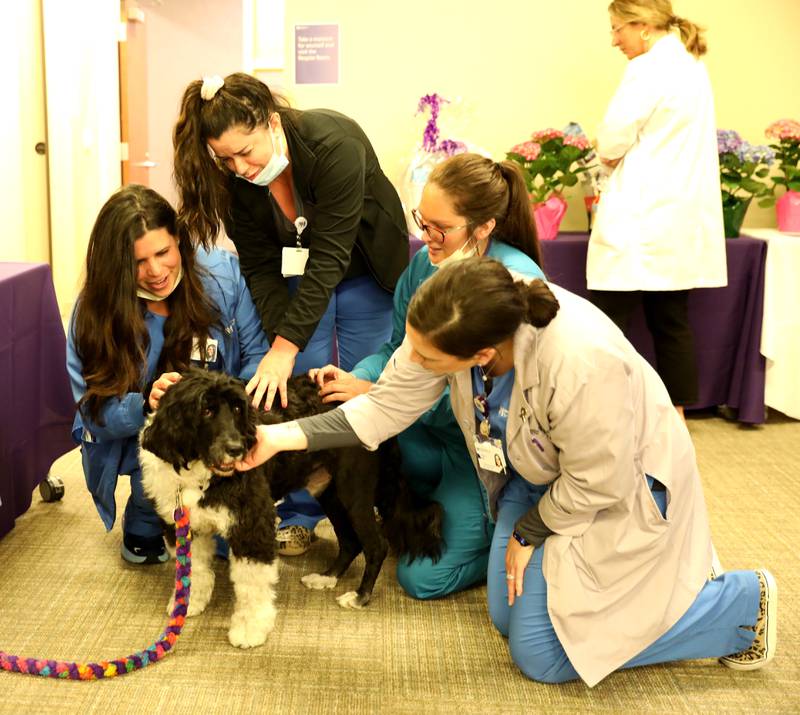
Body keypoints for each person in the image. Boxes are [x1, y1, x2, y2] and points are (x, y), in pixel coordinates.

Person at [233, 257, 777, 687]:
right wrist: (276, 437)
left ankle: (736, 605)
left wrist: (529, 530)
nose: (413, 363)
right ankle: (629, 597)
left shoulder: (580, 362)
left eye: (427, 359)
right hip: (532, 475)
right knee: (505, 615)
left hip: (614, 488)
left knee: (542, 654)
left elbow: (600, 479)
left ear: (482, 354)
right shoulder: (458, 312)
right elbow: (383, 407)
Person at [173, 72, 410, 555]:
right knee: (298, 388)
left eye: (247, 151)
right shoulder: (236, 183)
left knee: (365, 391)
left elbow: (331, 255)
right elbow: (259, 267)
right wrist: (285, 338)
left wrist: (281, 348)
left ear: (271, 121)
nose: (238, 166)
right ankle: (301, 509)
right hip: (300, 277)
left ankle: (376, 504)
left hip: (363, 267)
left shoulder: (332, 143)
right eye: (225, 158)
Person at [307, 153, 545, 598]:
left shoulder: (516, 284)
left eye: (441, 229)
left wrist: (378, 390)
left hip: (479, 451)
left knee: (421, 578)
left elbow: (492, 403)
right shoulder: (423, 265)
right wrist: (355, 378)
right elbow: (395, 347)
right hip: (423, 434)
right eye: (422, 221)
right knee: (359, 449)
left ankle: (495, 539)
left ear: (484, 226)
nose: (426, 238)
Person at [67, 185, 270, 564]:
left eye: (163, 252)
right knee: (150, 539)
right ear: (116, 267)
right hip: (149, 445)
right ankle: (145, 505)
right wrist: (146, 403)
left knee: (237, 539)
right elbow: (95, 411)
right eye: (138, 262)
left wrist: (233, 416)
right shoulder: (93, 312)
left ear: (179, 240)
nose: (156, 271)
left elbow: (257, 356)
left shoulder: (222, 276)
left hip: (219, 430)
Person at [588, 0, 726, 419]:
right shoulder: (691, 67)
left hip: (638, 219)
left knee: (605, 326)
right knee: (671, 323)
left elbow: (612, 139)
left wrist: (609, 155)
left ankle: (601, 414)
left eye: (617, 29)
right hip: (676, 221)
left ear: (644, 27)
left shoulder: (647, 69)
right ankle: (676, 417)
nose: (614, 40)